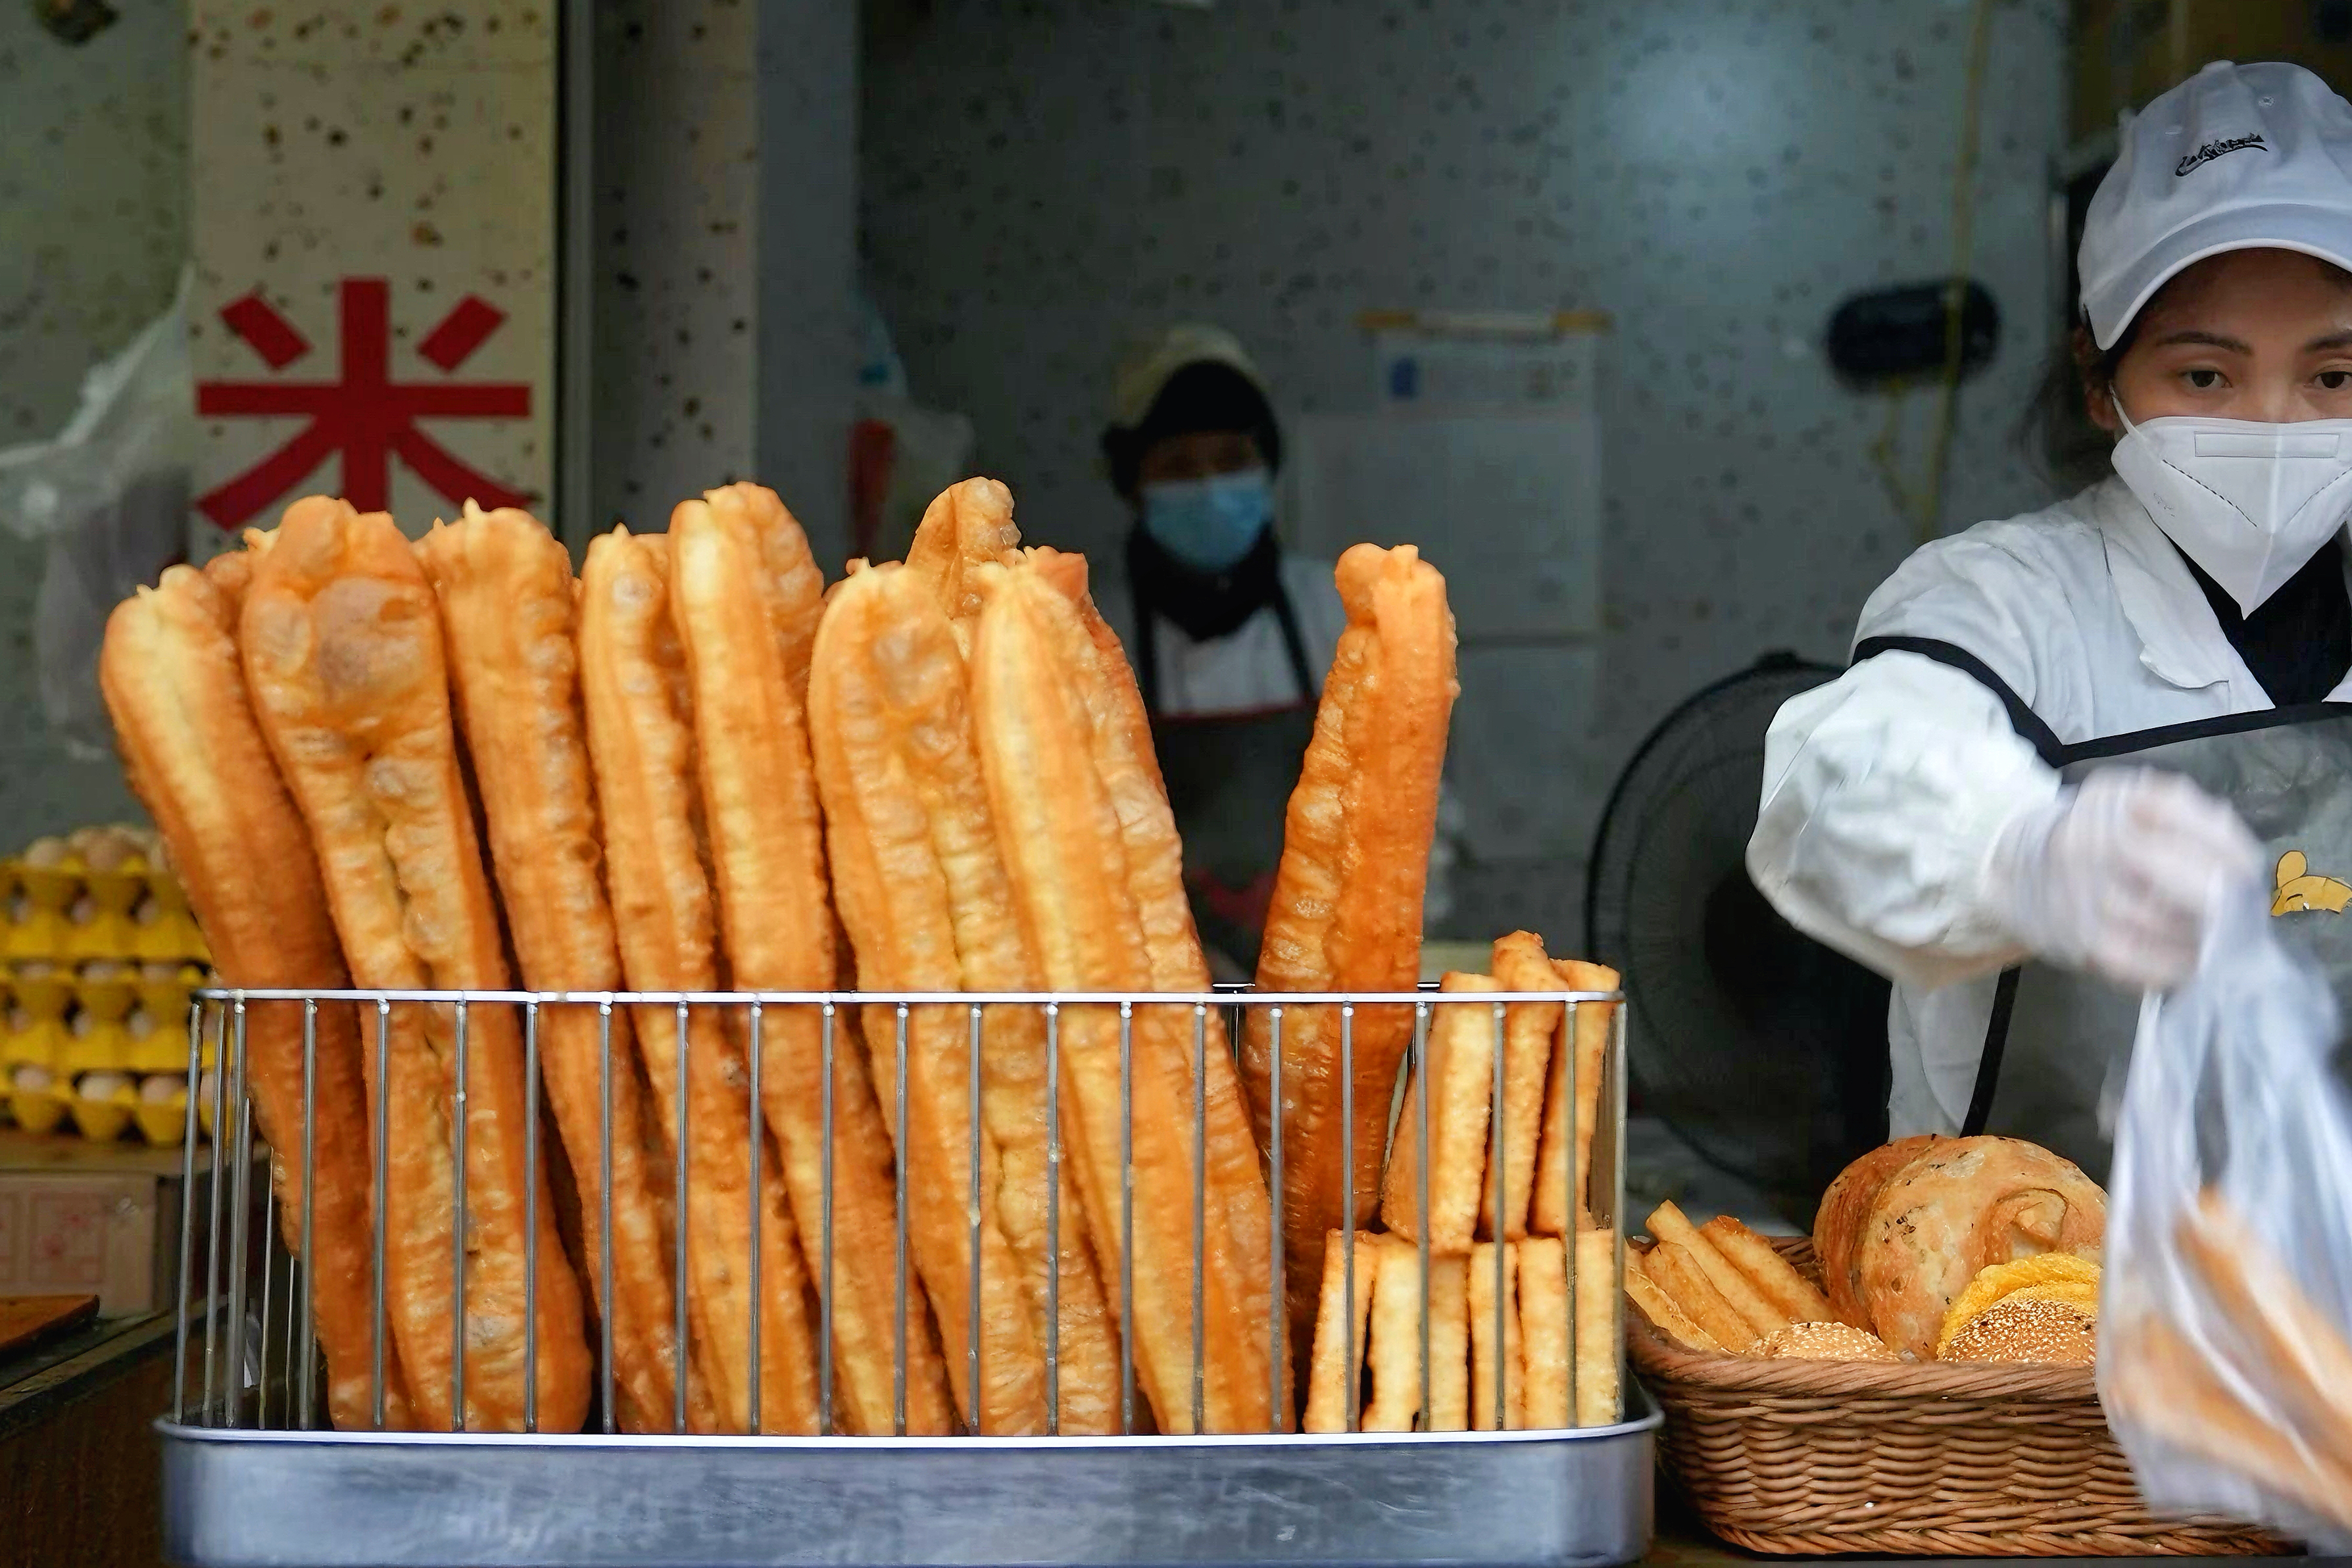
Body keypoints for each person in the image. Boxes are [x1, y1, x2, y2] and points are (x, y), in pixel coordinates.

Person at [1748, 61, 2352, 1177]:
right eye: (2207, 376)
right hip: (2017, 1304)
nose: (2276, 424)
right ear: (2097, 378)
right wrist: (2015, 850)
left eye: (2333, 375)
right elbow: (1838, 784)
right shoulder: (2002, 601)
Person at [1094, 324, 1349, 977]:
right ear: (1133, 483)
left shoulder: (1339, 612)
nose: (1209, 486)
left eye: (1232, 459)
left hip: (1329, 987)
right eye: (1179, 466)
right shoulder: (1090, 631)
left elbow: (1411, 814)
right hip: (1150, 996)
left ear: (1267, 469)